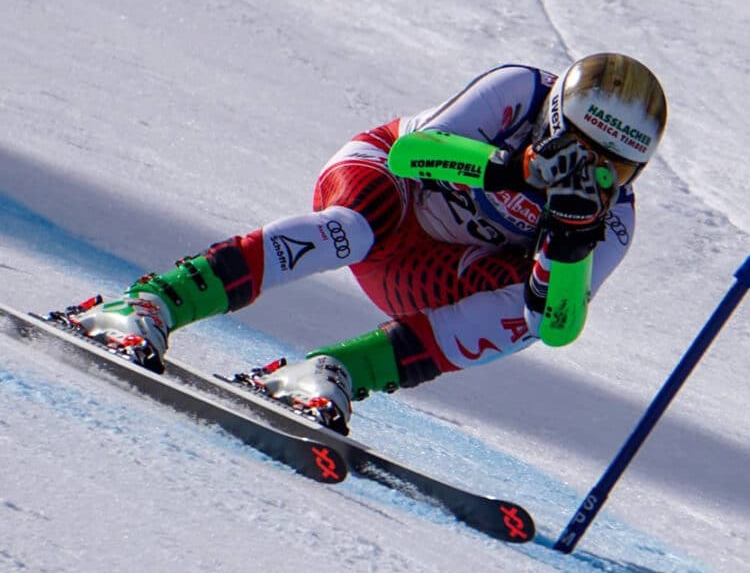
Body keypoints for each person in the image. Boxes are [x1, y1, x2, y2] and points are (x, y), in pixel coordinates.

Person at [57, 52, 668, 434]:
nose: (588, 176)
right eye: (579, 153)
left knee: (525, 316)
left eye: (613, 170)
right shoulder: (520, 92)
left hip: (431, 267)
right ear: (555, 120)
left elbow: (556, 325)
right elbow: (414, 152)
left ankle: (334, 372)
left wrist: (567, 246)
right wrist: (518, 166)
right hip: (388, 189)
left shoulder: (613, 222)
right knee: (351, 229)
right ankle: (152, 302)